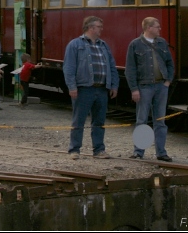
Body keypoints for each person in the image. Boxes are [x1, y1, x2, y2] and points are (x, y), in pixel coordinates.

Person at [63, 15, 118, 160]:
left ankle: (99, 150)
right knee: (78, 120)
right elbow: (69, 68)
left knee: (99, 121)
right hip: (83, 88)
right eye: (99, 27)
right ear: (91, 28)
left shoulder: (104, 45)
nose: (101, 29)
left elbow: (112, 66)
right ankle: (74, 150)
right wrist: (72, 86)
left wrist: (113, 85)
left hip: (101, 89)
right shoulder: (75, 45)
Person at [124, 17, 175, 162]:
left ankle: (161, 152)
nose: (160, 29)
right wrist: (134, 89)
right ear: (148, 28)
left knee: (160, 121)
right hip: (144, 86)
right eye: (157, 27)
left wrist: (168, 81)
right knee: (142, 120)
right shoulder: (135, 44)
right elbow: (130, 69)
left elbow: (170, 63)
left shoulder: (162, 43)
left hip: (161, 86)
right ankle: (139, 152)